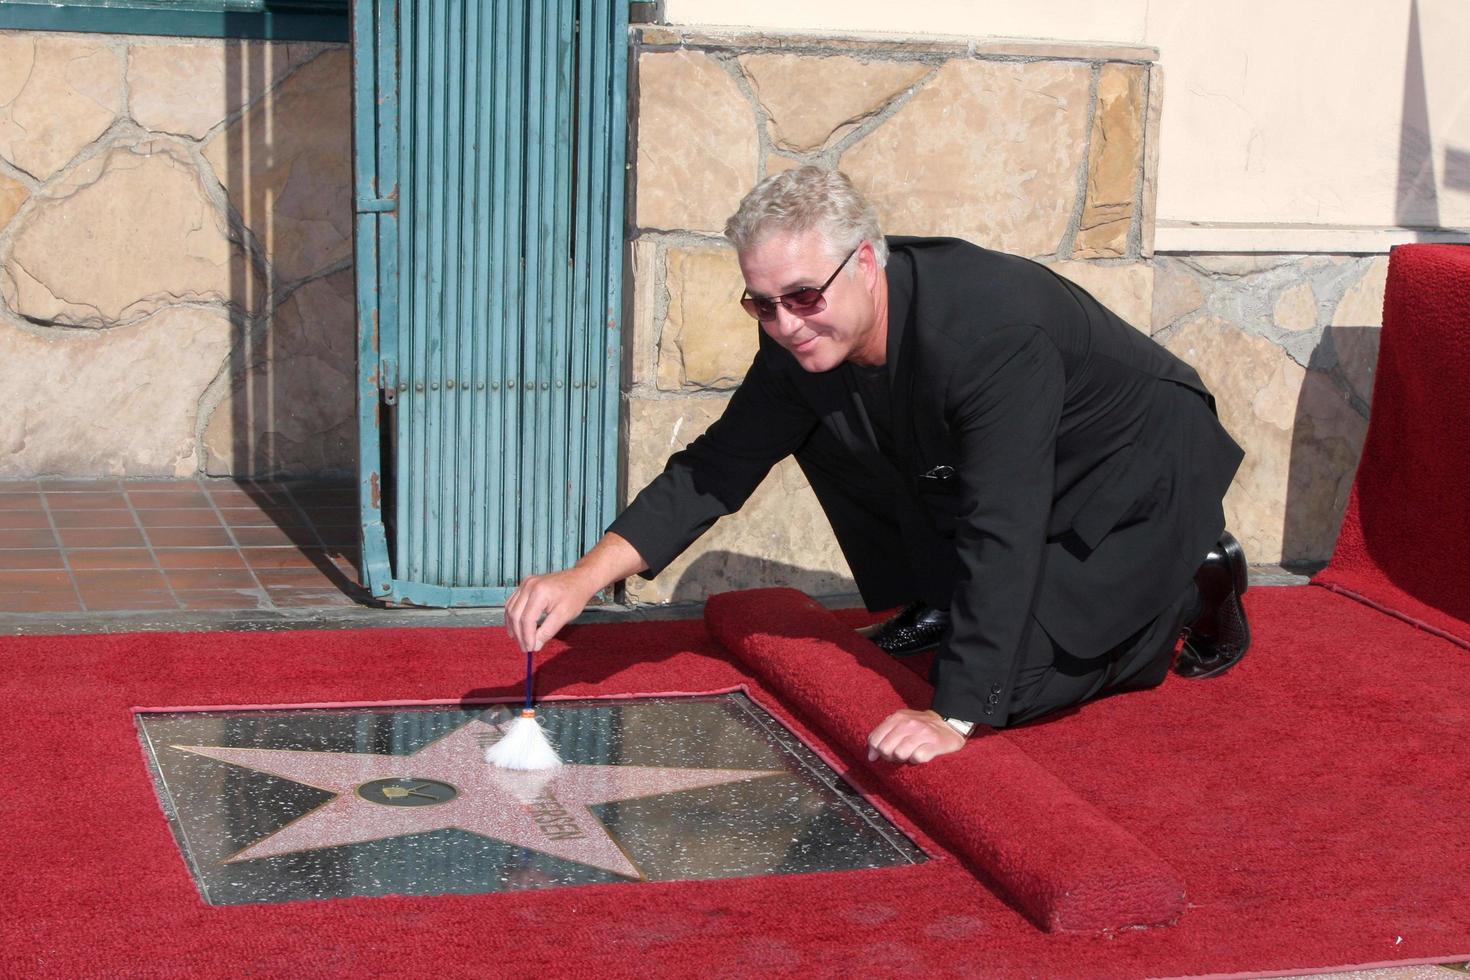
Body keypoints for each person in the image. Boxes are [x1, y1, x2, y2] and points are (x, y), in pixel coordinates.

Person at [506, 167, 1250, 766]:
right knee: (824, 421)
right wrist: (584, 577)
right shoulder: (808, 337)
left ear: (864, 261)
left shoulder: (991, 337)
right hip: (1032, 467)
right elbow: (717, 466)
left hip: (1135, 469)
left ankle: (1189, 584)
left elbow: (1004, 519)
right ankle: (939, 599)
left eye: (801, 296)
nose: (786, 324)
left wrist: (954, 712)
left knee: (1009, 687)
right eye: (761, 305)